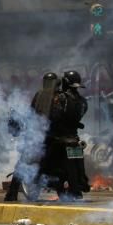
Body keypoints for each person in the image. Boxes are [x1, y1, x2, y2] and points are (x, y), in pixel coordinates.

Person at [4, 72, 57, 202]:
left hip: (39, 134)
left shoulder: (40, 94)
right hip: (51, 134)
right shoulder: (59, 96)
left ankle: (12, 194)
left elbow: (32, 113)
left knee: (21, 165)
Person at [43, 70, 90, 199]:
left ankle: (49, 179)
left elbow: (54, 117)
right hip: (74, 137)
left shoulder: (61, 98)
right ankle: (77, 183)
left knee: (45, 159)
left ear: (65, 82)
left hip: (58, 138)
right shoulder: (83, 101)